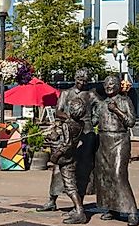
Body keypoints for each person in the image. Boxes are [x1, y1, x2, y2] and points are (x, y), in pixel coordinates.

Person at [37, 68, 101, 212]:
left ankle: (79, 203)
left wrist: (93, 121)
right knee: (59, 167)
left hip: (87, 134)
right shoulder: (66, 93)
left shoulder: (91, 95)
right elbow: (58, 111)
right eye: (79, 80)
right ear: (75, 78)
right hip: (68, 132)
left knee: (83, 169)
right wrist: (69, 118)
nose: (82, 83)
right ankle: (52, 199)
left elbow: (100, 108)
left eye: (85, 81)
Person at [95, 75, 139, 226]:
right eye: (106, 84)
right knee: (105, 175)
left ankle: (133, 211)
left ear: (118, 86)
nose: (109, 86)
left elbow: (131, 122)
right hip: (103, 141)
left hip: (119, 140)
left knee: (118, 175)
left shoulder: (125, 100)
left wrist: (117, 111)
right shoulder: (101, 103)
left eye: (112, 84)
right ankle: (113, 208)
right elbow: (94, 120)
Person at [47, 99, 88, 224]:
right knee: (69, 183)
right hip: (73, 155)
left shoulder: (67, 124)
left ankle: (80, 212)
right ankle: (76, 209)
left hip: (66, 158)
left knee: (70, 186)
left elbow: (67, 143)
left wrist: (56, 155)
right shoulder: (81, 124)